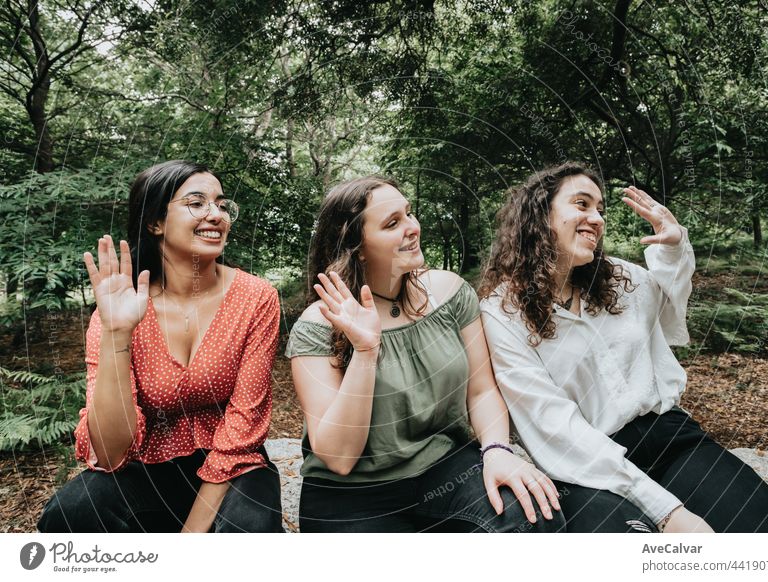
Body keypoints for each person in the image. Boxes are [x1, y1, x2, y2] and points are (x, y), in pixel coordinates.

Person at [479, 161, 768, 533]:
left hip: (671, 439)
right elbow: (554, 425)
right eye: (581, 204)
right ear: (539, 214)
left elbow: (669, 309)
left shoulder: (618, 277)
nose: (596, 218)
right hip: (586, 467)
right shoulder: (503, 311)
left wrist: (675, 246)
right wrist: (667, 512)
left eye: (600, 209)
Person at [287, 176, 567, 533]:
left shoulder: (450, 293)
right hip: (351, 493)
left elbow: (480, 391)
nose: (412, 228)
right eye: (392, 223)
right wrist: (365, 351)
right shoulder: (319, 326)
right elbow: (340, 458)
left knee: (533, 516)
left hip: (442, 469)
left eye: (409, 213)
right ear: (357, 246)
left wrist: (497, 450)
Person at [38, 160, 283, 533]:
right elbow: (108, 452)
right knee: (70, 512)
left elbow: (244, 422)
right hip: (148, 465)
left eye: (221, 204)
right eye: (197, 203)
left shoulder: (256, 297)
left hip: (235, 468)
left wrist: (191, 534)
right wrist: (117, 333)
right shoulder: (118, 310)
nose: (215, 215)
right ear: (155, 222)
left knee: (249, 529)